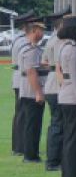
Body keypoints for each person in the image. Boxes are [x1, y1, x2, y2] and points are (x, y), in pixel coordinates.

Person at [55, 15, 76, 177]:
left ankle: (68, 176)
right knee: (75, 140)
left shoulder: (63, 47)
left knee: (70, 138)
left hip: (65, 95)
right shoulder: (73, 49)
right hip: (73, 98)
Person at [41, 8, 70, 172]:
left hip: (52, 81)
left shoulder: (51, 40)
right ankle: (54, 160)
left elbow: (44, 61)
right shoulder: (60, 41)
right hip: (59, 83)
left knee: (56, 123)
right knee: (59, 124)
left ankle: (54, 159)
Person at [17, 14, 48, 163]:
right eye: (41, 30)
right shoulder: (31, 50)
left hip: (27, 90)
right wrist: (38, 92)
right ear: (35, 30)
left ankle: (31, 153)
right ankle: (30, 155)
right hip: (31, 92)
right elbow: (31, 72)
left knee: (32, 123)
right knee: (33, 124)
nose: (43, 33)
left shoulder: (30, 48)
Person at [10, 12, 31, 158]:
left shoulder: (18, 38)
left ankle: (19, 145)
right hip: (22, 78)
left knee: (20, 114)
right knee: (22, 114)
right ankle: (20, 146)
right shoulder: (23, 40)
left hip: (18, 77)